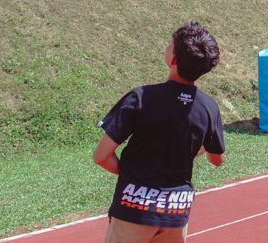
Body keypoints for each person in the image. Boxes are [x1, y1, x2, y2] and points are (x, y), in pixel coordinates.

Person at [93, 22, 225, 243]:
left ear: (173, 59)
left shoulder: (140, 98)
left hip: (134, 211)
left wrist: (136, 176)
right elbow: (217, 159)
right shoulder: (209, 107)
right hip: (175, 212)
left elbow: (101, 156)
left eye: (170, 44)